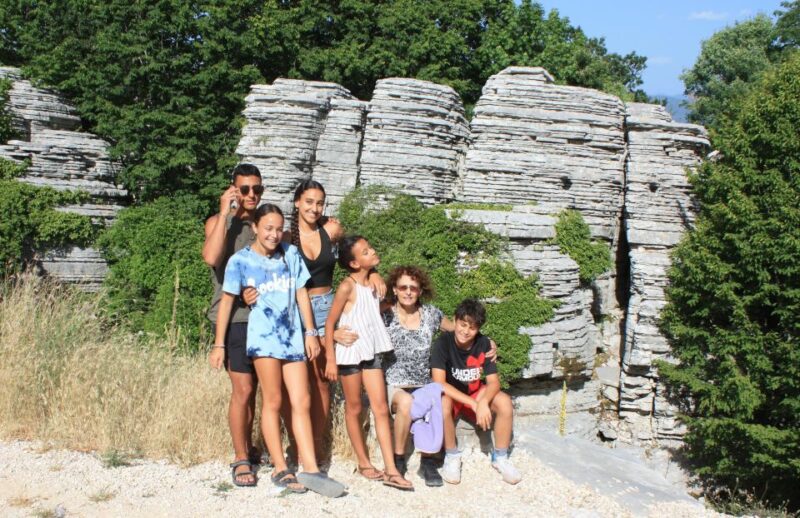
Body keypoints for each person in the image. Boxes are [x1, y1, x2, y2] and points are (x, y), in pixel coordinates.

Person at [211, 204, 344, 497]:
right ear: (256, 228)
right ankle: (280, 468)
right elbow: (227, 303)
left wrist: (310, 332)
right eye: (267, 228)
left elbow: (301, 294)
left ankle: (310, 467)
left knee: (302, 399)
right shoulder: (240, 261)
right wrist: (219, 344)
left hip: (292, 336)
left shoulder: (290, 253)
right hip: (263, 337)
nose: (273, 234)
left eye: (277, 228)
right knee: (272, 400)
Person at [286, 180, 385, 464]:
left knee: (322, 384)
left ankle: (316, 449)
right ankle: (295, 447)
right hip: (298, 310)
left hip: (329, 308)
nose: (314, 208)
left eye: (319, 203)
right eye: (308, 202)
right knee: (295, 383)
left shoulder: (332, 229)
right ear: (297, 202)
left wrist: (374, 273)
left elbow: (357, 254)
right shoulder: (285, 238)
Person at [381, 266, 496, 487]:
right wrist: (336, 332)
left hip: (425, 383)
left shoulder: (432, 314)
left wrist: (488, 343)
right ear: (394, 289)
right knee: (405, 401)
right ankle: (399, 460)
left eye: (413, 288)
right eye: (403, 287)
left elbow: (461, 330)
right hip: (395, 383)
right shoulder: (385, 315)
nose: (408, 292)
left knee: (442, 402)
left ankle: (429, 461)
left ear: (420, 290)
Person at [323, 236, 413, 491]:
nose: (372, 251)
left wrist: (374, 273)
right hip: (350, 352)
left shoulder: (375, 283)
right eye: (366, 252)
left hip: (372, 350)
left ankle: (391, 470)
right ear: (353, 263)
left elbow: (377, 306)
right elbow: (330, 323)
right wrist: (330, 358)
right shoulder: (346, 287)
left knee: (381, 408)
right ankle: (363, 462)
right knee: (353, 407)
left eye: (370, 247)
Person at [202, 163, 265, 487]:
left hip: (264, 320)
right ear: (233, 190)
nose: (251, 195)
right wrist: (225, 214)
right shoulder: (219, 223)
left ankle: (251, 447)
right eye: (245, 189)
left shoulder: (263, 225)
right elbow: (211, 258)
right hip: (234, 320)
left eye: (257, 189)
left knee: (255, 391)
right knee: (242, 390)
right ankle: (240, 458)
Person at [430, 299, 522, 486]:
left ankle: (501, 457)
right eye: (462, 325)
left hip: (475, 392)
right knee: (442, 403)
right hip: (452, 394)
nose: (465, 331)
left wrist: (482, 401)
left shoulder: (484, 344)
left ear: (478, 329)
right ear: (455, 321)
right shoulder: (442, 344)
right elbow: (439, 383)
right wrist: (474, 404)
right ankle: (452, 455)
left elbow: (493, 382)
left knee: (504, 401)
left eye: (471, 328)